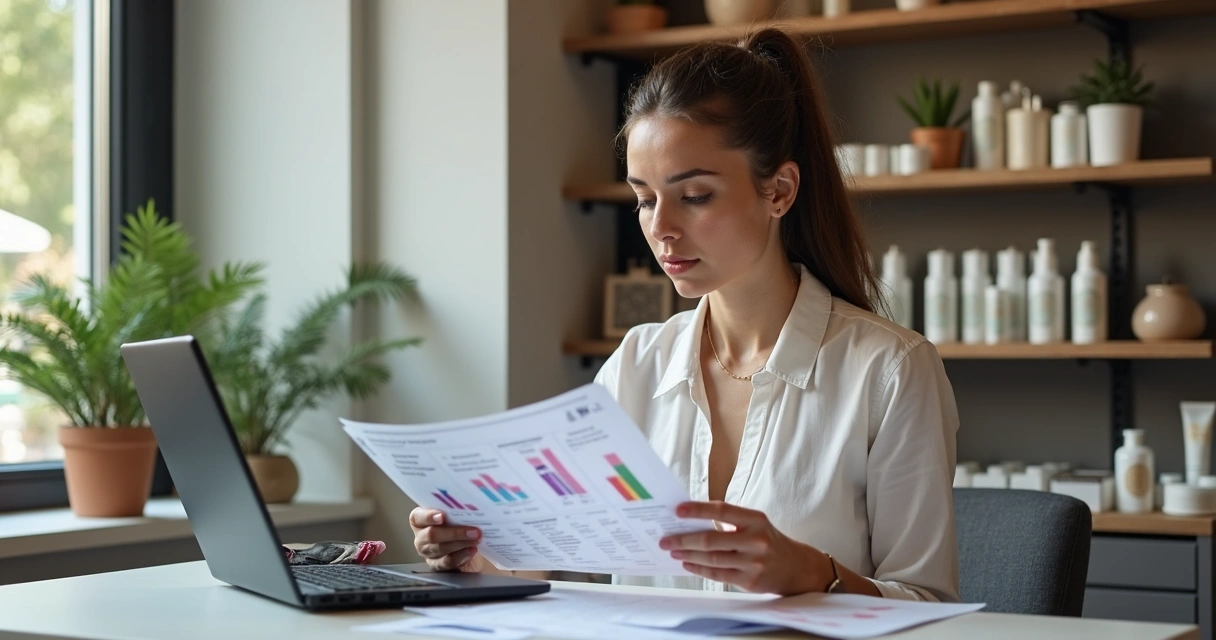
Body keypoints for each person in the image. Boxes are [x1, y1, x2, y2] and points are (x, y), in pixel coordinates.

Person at [411, 27, 960, 602]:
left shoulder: (890, 372)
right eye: (645, 199)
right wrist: (477, 555)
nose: (661, 229)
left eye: (694, 196)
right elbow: (571, 573)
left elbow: (932, 607)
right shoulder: (637, 364)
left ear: (779, 190)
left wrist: (813, 575)